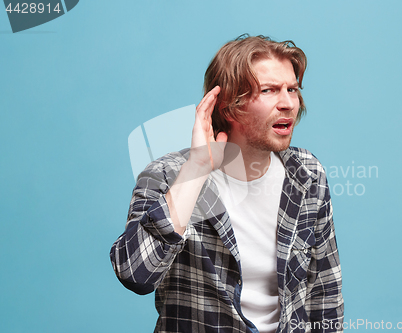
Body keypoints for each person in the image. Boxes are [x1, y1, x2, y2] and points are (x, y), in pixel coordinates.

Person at [110, 35, 344, 333]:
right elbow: (135, 274)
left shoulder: (307, 173)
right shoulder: (168, 176)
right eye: (270, 90)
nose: (288, 103)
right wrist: (196, 169)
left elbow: (325, 291)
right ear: (228, 107)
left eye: (292, 90)